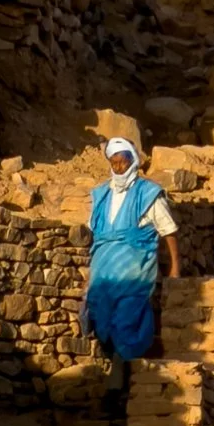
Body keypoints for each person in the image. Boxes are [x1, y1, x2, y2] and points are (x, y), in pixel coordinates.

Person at [82, 137, 180, 368]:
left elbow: (168, 231)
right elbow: (95, 232)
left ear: (133, 160)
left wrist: (175, 266)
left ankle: (125, 375)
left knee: (128, 317)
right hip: (104, 270)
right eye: (114, 162)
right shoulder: (101, 195)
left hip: (134, 270)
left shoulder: (148, 193)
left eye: (123, 161)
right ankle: (116, 370)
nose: (119, 167)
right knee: (100, 315)